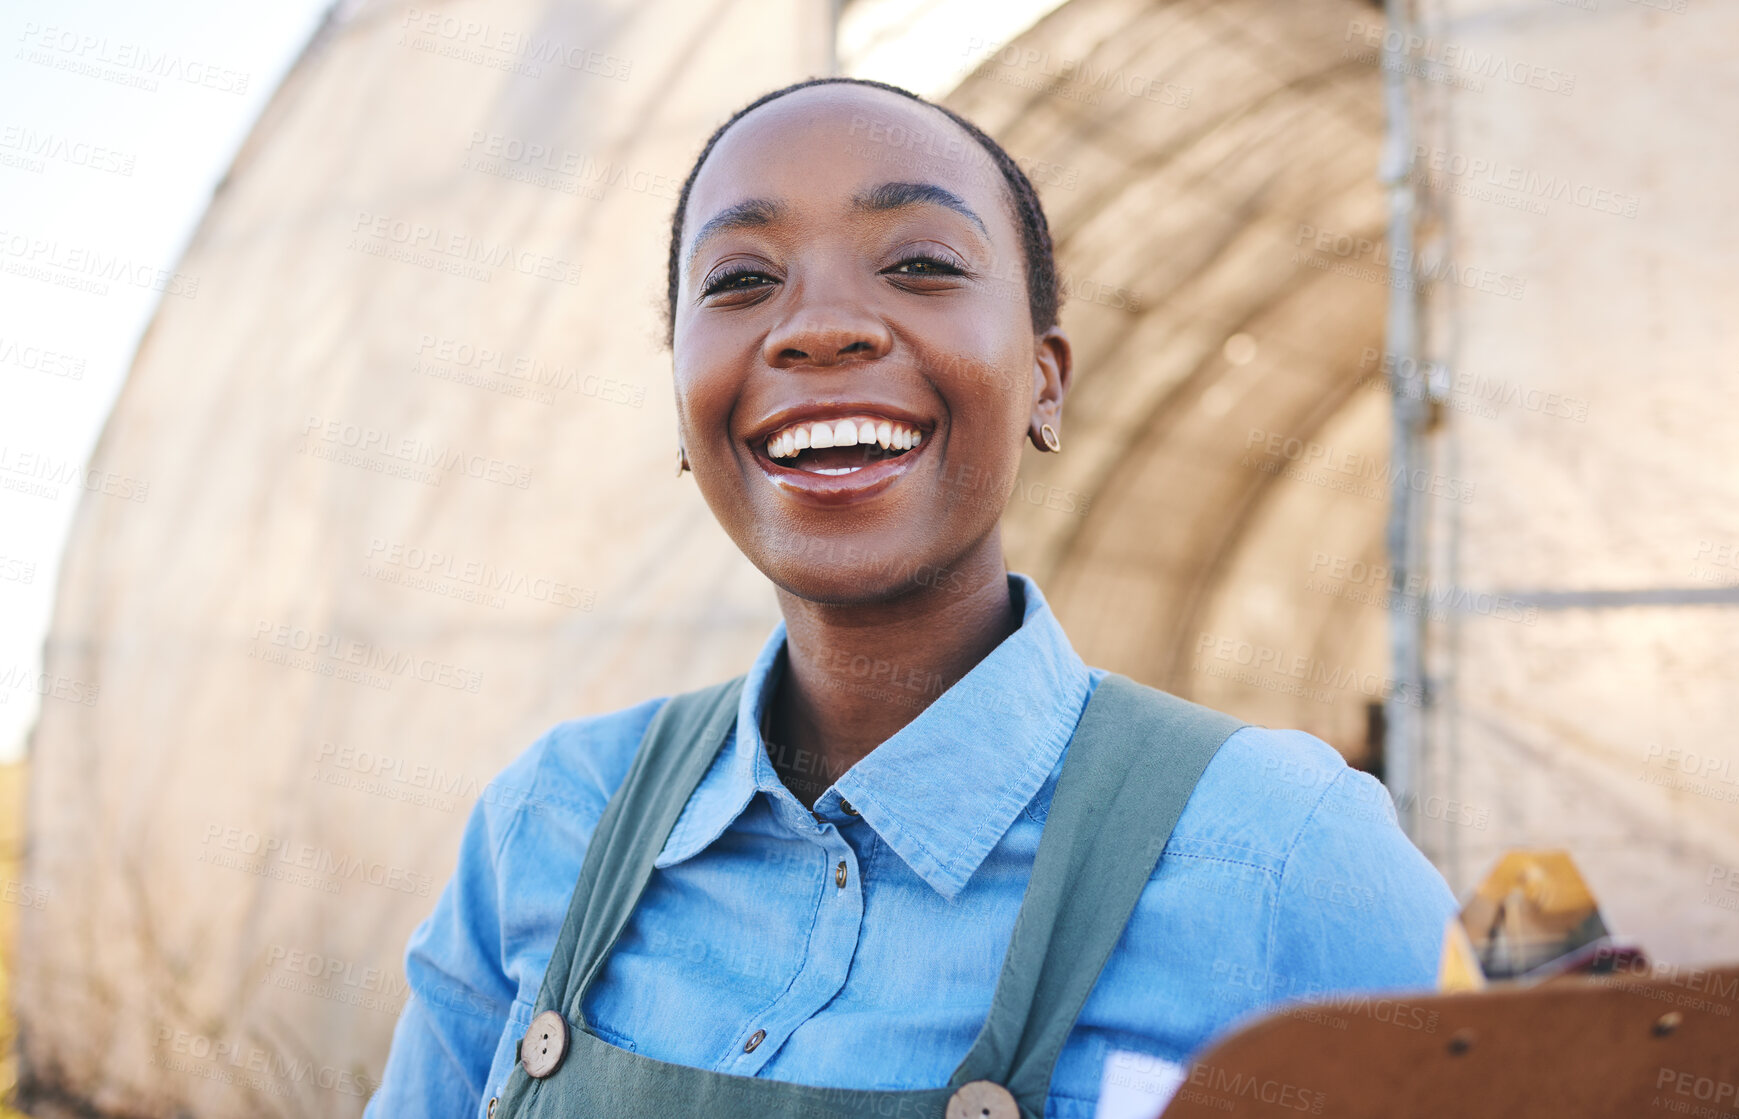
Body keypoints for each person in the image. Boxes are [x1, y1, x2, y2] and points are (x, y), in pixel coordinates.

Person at [364, 76, 1456, 1119]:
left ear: (1043, 377)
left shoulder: (1279, 852)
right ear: (680, 403)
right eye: (742, 280)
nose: (821, 327)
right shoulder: (548, 823)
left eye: (922, 263)